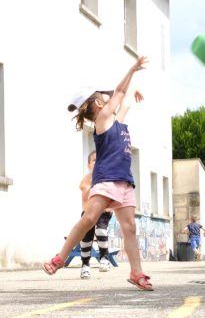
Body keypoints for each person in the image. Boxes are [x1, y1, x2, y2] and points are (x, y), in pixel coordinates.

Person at [43, 56, 153, 291]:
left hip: (124, 182)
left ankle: (137, 273)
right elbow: (120, 93)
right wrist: (133, 69)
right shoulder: (102, 119)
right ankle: (60, 258)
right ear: (100, 105)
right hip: (106, 179)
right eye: (104, 96)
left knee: (130, 227)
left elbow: (124, 100)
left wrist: (134, 90)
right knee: (89, 219)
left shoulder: (115, 121)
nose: (110, 96)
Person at [79, 150, 112, 279]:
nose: (97, 163)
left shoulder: (107, 177)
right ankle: (85, 265)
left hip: (104, 212)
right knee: (85, 239)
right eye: (94, 161)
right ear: (89, 165)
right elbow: (85, 196)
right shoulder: (86, 180)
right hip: (87, 212)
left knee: (101, 231)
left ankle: (104, 257)